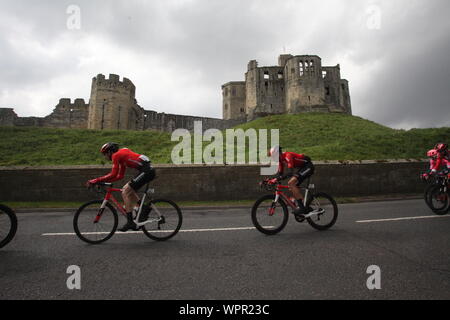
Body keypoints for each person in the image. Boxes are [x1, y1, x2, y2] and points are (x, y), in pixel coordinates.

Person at [87, 143, 156, 231]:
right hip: (147, 170)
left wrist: (96, 180)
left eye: (105, 154)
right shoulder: (121, 156)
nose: (105, 156)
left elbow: (113, 174)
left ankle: (130, 222)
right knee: (126, 189)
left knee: (126, 191)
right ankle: (143, 209)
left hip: (147, 171)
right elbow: (120, 176)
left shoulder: (116, 155)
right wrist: (103, 181)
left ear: (110, 152)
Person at [266, 145, 315, 217]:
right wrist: (271, 180)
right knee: (292, 186)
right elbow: (280, 175)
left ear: (278, 154)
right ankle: (302, 205)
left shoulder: (287, 156)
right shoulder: (281, 161)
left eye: (274, 156)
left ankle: (302, 208)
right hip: (302, 168)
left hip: (308, 166)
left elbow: (290, 173)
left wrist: (276, 179)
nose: (273, 159)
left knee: (291, 183)